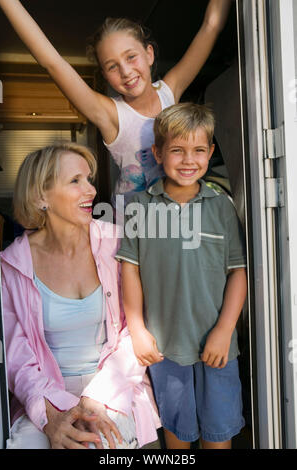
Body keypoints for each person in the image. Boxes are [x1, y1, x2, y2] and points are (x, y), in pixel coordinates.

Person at [0, 141, 160, 449]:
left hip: (114, 388)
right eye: (75, 181)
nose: (90, 191)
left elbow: (137, 330)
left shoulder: (116, 243)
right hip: (45, 394)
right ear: (40, 196)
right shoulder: (12, 265)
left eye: (88, 179)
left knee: (98, 446)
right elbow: (16, 358)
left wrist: (95, 399)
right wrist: (53, 413)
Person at [0, 0, 232, 209]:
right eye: (112, 66)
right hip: (132, 230)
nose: (126, 71)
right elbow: (53, 63)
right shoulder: (110, 113)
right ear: (105, 75)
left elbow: (211, 26)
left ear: (149, 54)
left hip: (174, 218)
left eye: (131, 57)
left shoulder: (169, 92)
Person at [116, 102, 247, 449]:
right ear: (158, 153)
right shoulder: (140, 206)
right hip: (164, 348)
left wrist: (224, 330)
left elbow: (239, 272)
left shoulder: (222, 205)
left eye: (198, 150)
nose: (189, 160)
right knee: (177, 438)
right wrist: (138, 330)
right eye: (177, 150)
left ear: (211, 153)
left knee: (218, 437)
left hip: (217, 347)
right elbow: (130, 269)